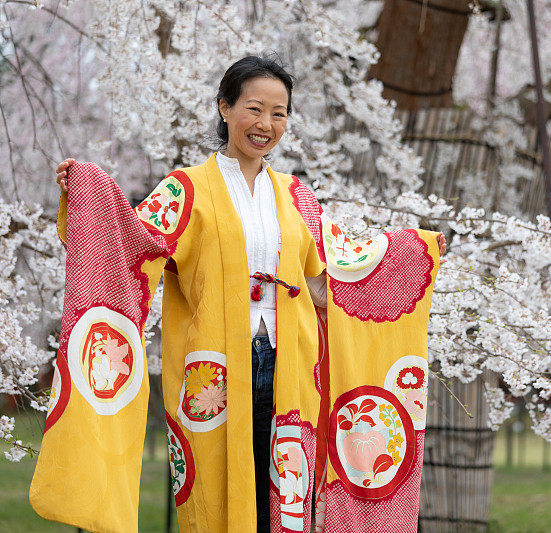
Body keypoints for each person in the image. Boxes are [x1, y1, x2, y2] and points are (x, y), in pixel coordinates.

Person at [32, 55, 445, 533]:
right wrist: (86, 192)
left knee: (283, 494)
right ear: (225, 108)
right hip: (213, 371)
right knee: (218, 494)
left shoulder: (296, 196)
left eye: (279, 112)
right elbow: (129, 241)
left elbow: (333, 276)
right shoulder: (185, 189)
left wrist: (413, 255)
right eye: (254, 108)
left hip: (289, 364)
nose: (265, 124)